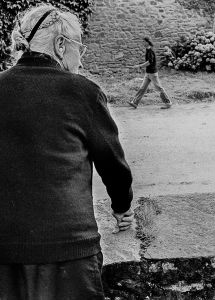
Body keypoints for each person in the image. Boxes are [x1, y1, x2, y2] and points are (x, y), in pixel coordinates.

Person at [0, 4, 134, 299]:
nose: (81, 61)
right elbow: (114, 167)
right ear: (61, 45)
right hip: (69, 252)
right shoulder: (82, 92)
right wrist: (121, 207)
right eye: (79, 49)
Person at [128, 36, 172, 109]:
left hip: (152, 74)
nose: (143, 43)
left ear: (147, 42)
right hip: (148, 73)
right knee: (142, 88)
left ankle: (168, 103)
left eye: (144, 42)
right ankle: (135, 102)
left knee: (159, 88)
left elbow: (149, 62)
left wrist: (139, 66)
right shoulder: (147, 50)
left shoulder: (150, 51)